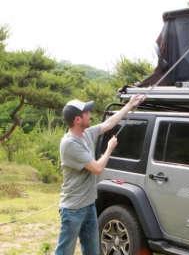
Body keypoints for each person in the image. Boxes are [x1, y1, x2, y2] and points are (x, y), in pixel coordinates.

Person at [55, 94, 146, 255]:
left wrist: (130, 105)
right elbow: (97, 168)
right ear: (77, 120)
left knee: (92, 250)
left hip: (89, 205)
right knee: (64, 251)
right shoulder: (70, 144)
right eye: (87, 113)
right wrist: (109, 149)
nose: (90, 115)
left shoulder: (86, 133)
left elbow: (109, 123)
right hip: (73, 209)